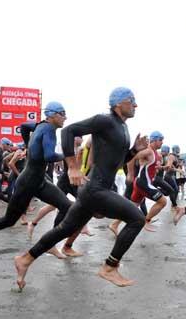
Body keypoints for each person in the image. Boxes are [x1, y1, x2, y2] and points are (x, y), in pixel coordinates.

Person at [13, 87, 148, 289]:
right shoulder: (105, 120)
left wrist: (133, 151)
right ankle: (110, 267)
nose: (136, 105)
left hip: (94, 189)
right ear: (119, 103)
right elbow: (69, 130)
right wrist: (73, 166)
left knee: (64, 229)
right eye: (132, 100)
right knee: (137, 218)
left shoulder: (122, 127)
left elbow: (115, 162)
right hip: (96, 189)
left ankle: (26, 258)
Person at [0, 101, 73, 259]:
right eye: (63, 114)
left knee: (67, 206)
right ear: (53, 115)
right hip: (27, 183)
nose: (65, 118)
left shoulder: (40, 125)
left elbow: (24, 126)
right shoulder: (48, 129)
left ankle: (51, 244)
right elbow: (49, 156)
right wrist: (68, 155)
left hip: (39, 181)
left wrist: (28, 143)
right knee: (9, 220)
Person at [110, 130, 167, 233]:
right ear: (154, 140)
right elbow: (131, 158)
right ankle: (146, 220)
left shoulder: (154, 153)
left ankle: (114, 224)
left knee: (132, 207)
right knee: (163, 201)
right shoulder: (148, 151)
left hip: (141, 183)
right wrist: (130, 174)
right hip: (143, 183)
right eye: (161, 140)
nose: (162, 142)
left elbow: (149, 166)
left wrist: (157, 167)